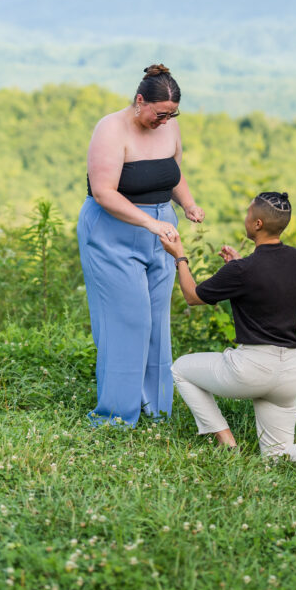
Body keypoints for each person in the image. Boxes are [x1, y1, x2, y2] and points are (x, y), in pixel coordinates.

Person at [160, 191, 296, 475]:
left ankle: (227, 443)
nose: (245, 217)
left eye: (247, 214)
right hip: (291, 372)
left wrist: (179, 256)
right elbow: (267, 279)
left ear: (257, 224)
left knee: (180, 368)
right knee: (276, 456)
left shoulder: (244, 270)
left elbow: (193, 296)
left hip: (252, 369)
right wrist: (237, 265)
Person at [77, 64, 204, 426]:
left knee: (156, 321)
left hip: (161, 234)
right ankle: (116, 416)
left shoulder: (170, 127)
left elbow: (172, 174)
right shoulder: (110, 129)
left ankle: (157, 410)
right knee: (127, 320)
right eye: (159, 113)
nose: (165, 121)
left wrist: (188, 203)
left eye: (172, 114)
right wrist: (151, 223)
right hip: (113, 233)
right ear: (139, 101)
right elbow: (103, 192)